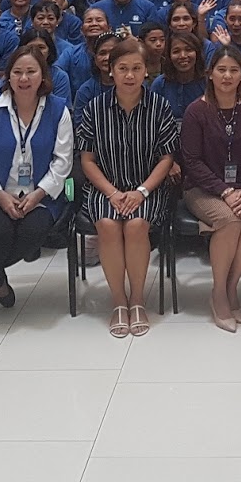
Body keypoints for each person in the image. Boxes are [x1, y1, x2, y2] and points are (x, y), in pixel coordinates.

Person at [77, 38, 180, 338]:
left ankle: (137, 300)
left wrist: (141, 192)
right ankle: (118, 302)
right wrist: (111, 192)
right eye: (123, 68)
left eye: (136, 68)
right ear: (111, 71)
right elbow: (87, 160)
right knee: (108, 225)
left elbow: (166, 157)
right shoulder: (95, 108)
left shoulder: (159, 106)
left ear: (146, 71)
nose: (130, 75)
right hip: (105, 186)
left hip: (147, 187)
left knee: (136, 226)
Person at [0, 44, 75, 310]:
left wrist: (39, 193)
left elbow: (63, 160)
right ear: (8, 76)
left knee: (33, 234)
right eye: (17, 72)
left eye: (31, 72)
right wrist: (1, 197)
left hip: (41, 195)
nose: (24, 79)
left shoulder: (58, 110)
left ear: (43, 76)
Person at [180, 45, 241, 331]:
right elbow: (191, 161)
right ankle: (219, 293)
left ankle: (231, 286)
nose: (227, 76)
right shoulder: (197, 110)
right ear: (210, 74)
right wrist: (225, 191)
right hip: (203, 188)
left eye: (234, 70)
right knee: (229, 220)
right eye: (221, 70)